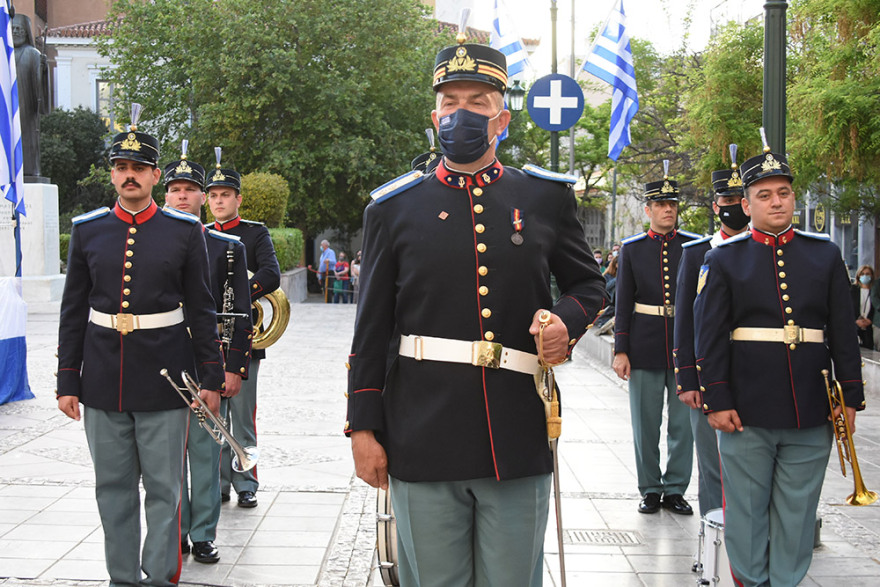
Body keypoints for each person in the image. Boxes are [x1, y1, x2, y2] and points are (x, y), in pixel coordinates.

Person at [346, 36, 607, 587]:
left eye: (477, 102)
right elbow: (371, 330)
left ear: (501, 119)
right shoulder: (393, 208)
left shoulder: (543, 198)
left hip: (516, 431)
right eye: (450, 102)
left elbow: (589, 283)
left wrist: (565, 320)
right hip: (422, 431)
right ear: (434, 116)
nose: (460, 113)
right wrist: (362, 428)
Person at [56, 106, 225, 585]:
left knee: (164, 489)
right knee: (112, 489)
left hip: (166, 378)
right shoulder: (88, 230)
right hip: (102, 379)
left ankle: (160, 576)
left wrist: (211, 376)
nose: (129, 176)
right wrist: (68, 379)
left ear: (154, 175)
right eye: (121, 167)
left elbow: (201, 308)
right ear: (112, 174)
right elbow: (73, 311)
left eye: (139, 168)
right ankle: (122, 578)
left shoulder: (184, 231)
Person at [694, 138, 864, 587]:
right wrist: (716, 399)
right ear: (746, 205)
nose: (776, 202)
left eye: (783, 193)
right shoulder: (723, 258)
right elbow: (709, 337)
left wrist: (850, 398)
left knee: (798, 510)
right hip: (746, 409)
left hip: (810, 405)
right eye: (764, 195)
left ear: (793, 197)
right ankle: (752, 581)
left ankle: (787, 581)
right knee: (747, 510)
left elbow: (843, 332)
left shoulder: (824, 254)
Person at [163, 143, 252, 563]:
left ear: (203, 196)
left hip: (207, 364)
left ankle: (202, 533)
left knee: (205, 451)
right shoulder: (150, 243)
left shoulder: (227, 247)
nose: (182, 196)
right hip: (163, 364)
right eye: (175, 189)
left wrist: (232, 368)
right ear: (165, 195)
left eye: (189, 190)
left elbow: (238, 314)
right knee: (166, 457)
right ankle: (175, 530)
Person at [613, 161, 698, 516]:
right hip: (645, 344)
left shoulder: (693, 247)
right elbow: (623, 302)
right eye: (661, 205)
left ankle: (675, 488)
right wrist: (621, 349)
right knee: (645, 424)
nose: (668, 210)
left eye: (672, 204)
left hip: (684, 347)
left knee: (683, 426)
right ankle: (649, 488)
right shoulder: (632, 249)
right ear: (648, 210)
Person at [673, 146, 749, 517]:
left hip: (753, 371)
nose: (734, 206)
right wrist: (687, 378)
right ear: (716, 206)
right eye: (727, 200)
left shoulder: (766, 250)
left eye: (739, 199)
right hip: (707, 373)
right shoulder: (696, 253)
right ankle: (713, 534)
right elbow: (685, 320)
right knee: (711, 463)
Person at [206, 148, 281, 509]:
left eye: (226, 195)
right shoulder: (201, 234)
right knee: (213, 416)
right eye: (214, 196)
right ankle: (219, 484)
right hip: (207, 337)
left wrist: (235, 294)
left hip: (243, 335)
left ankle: (246, 481)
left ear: (238, 199)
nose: (219, 201)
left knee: (242, 415)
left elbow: (270, 274)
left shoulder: (254, 233)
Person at [12, 12, 49, 177]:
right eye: (13, 29)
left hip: (26, 108)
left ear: (26, 32)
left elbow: (40, 87)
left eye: (19, 29)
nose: (16, 32)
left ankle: (29, 170)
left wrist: (43, 69)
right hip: (7, 108)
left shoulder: (32, 54)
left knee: (27, 137)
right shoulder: (3, 56)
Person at [853, 264, 875, 349]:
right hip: (855, 327)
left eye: (867, 274)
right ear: (858, 276)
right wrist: (856, 321)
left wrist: (870, 320)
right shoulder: (852, 290)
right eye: (862, 274)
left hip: (869, 329)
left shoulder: (874, 291)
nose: (865, 276)